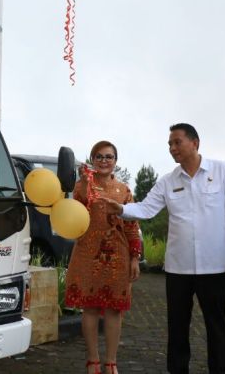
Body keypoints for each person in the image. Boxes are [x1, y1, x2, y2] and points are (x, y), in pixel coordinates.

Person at [101, 123, 225, 374]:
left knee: (217, 326)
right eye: (170, 144)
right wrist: (122, 209)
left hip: (215, 265)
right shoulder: (168, 181)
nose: (172, 148)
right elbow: (146, 208)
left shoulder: (222, 171)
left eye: (177, 142)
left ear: (195, 143)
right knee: (177, 326)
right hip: (178, 267)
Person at [64, 140, 141, 374]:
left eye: (109, 157)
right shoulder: (81, 186)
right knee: (90, 308)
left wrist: (134, 257)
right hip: (87, 254)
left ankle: (111, 362)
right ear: (92, 160)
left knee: (114, 310)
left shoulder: (124, 190)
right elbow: (73, 214)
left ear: (115, 162)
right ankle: (93, 361)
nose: (104, 161)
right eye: (99, 157)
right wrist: (85, 185)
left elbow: (132, 224)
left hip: (118, 256)